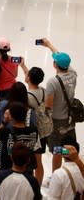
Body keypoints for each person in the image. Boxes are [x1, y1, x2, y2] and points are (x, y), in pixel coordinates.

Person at [42, 38, 78, 172]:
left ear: (54, 65)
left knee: (56, 150)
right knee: (68, 146)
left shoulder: (53, 82)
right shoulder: (73, 75)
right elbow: (60, 58)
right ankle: (72, 171)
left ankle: (56, 175)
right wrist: (49, 45)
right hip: (69, 120)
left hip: (56, 122)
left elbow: (48, 105)